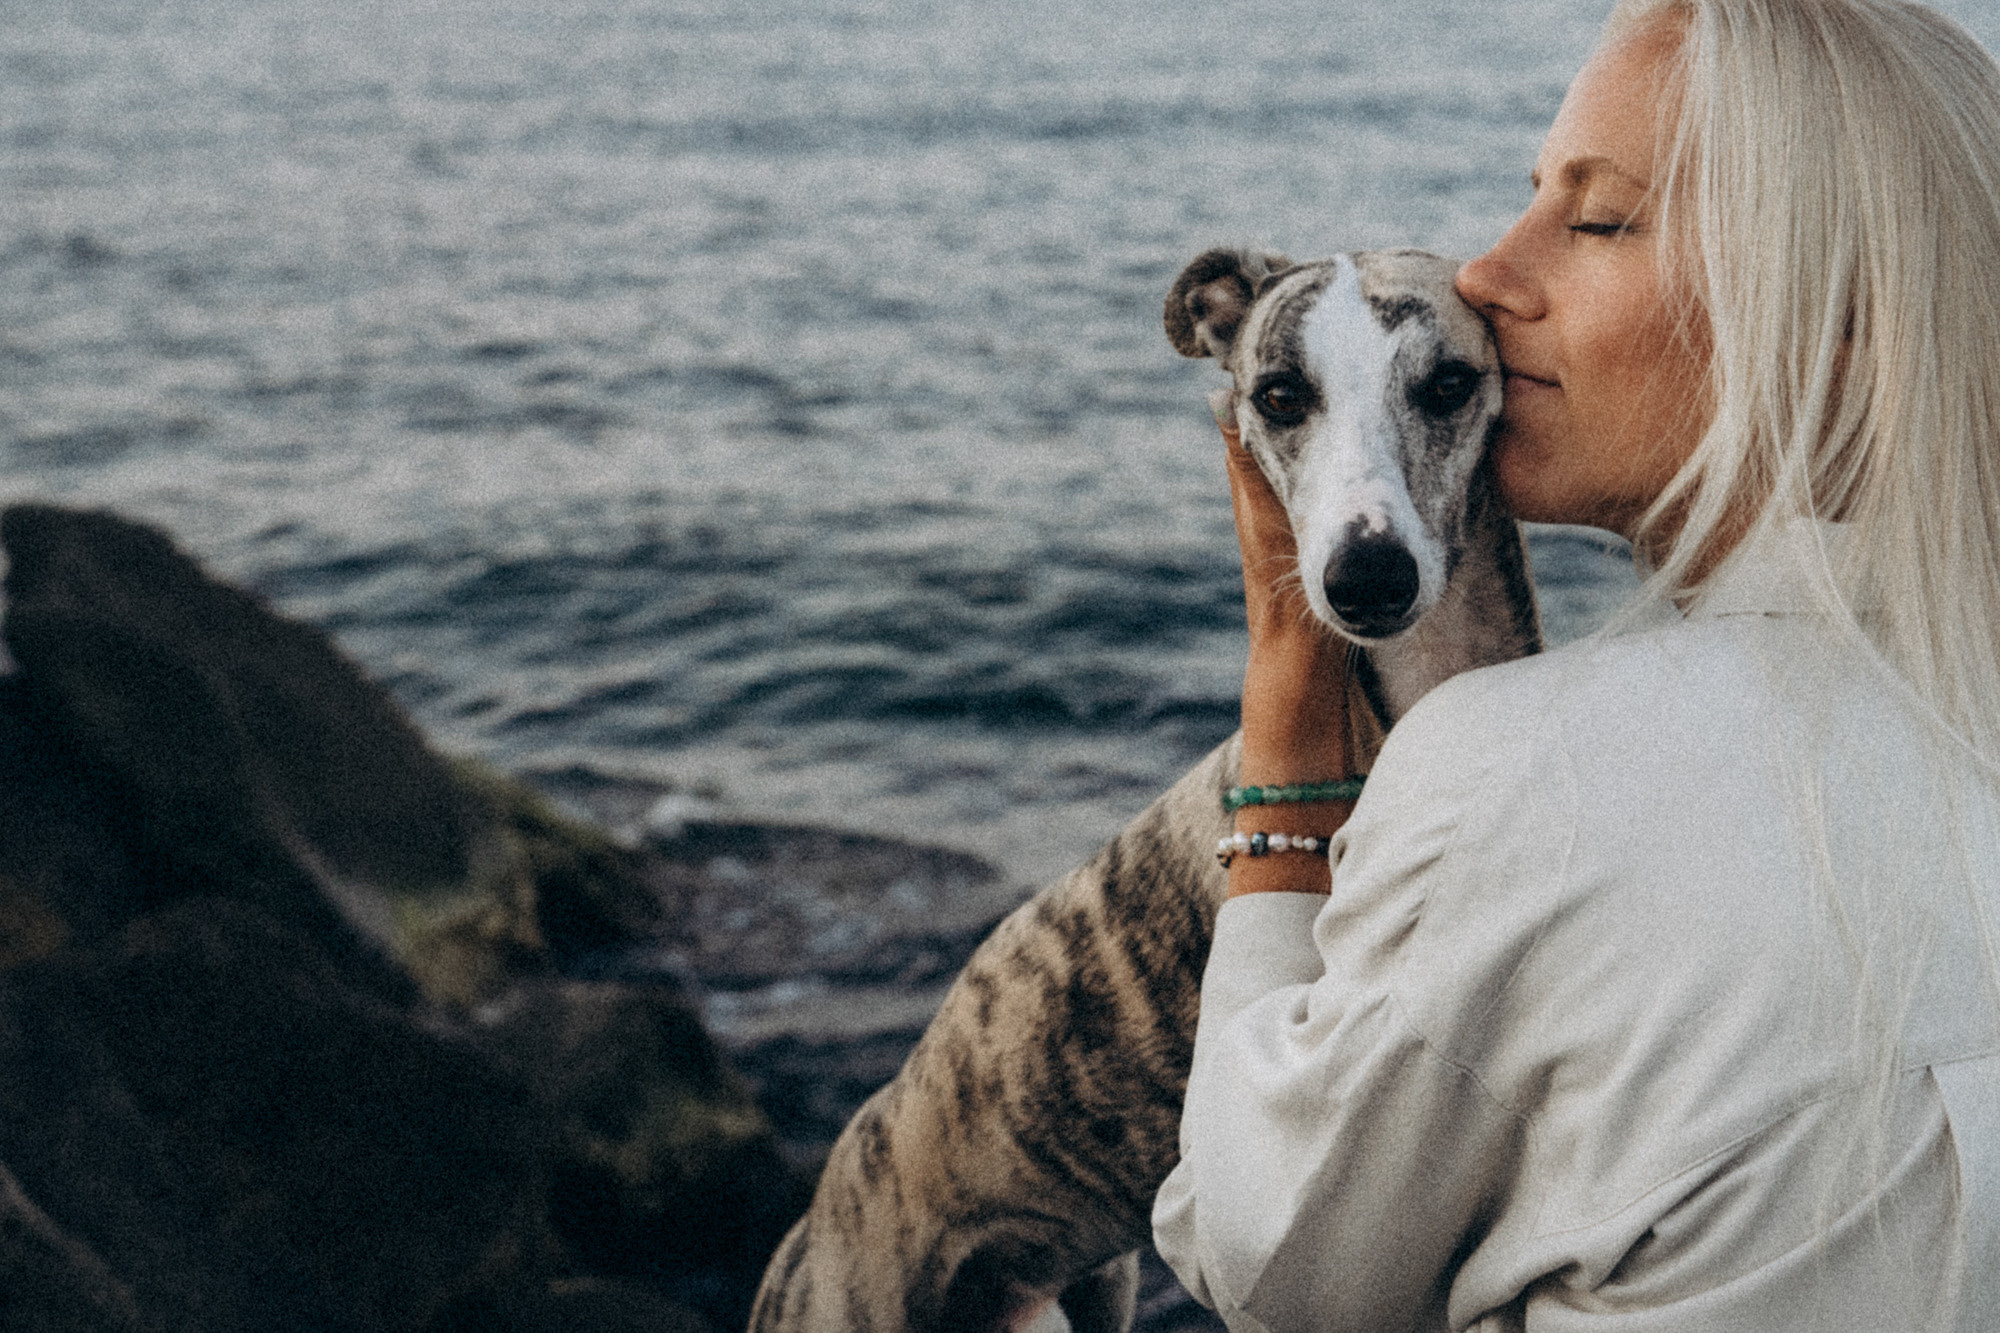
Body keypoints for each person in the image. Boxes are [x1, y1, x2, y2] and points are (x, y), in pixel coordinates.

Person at [1150, 0, 2000, 1329]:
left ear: (1840, 313)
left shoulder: (1520, 772)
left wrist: (1287, 738)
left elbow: (1261, 1255)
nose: (1489, 274)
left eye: (1598, 221)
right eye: (1531, 197)